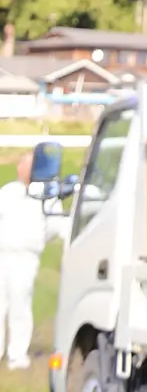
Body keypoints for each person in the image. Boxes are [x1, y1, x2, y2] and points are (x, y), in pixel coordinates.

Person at [0, 153, 48, 371]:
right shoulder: (8, 192)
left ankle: (17, 354)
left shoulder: (44, 194)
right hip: (3, 254)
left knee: (20, 303)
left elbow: (55, 223)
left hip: (26, 258)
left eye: (28, 165)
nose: (23, 169)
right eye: (22, 164)